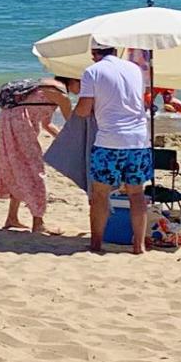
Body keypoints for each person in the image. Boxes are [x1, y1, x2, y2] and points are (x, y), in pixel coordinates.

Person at [75, 40, 152, 254]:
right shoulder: (135, 69)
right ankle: (139, 245)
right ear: (115, 50)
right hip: (138, 140)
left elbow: (83, 110)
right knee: (136, 194)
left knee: (100, 194)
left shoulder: (92, 71)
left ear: (93, 53)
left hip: (109, 141)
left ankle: (96, 243)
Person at [0, 77, 79, 233]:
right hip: (21, 124)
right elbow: (73, 125)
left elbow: (47, 124)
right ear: (72, 81)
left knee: (18, 167)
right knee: (33, 169)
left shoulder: (47, 85)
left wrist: (63, 141)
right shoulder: (61, 95)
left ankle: (12, 217)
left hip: (8, 118)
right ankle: (38, 222)